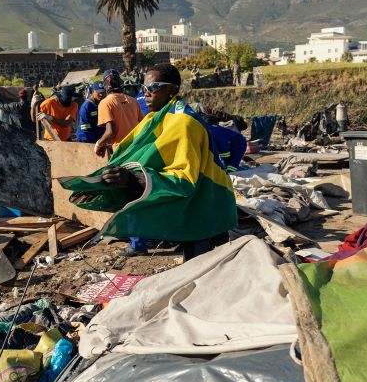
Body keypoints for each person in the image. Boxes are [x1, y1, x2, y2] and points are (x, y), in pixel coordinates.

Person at [62, 63, 237, 261]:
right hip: (199, 202)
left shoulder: (183, 122)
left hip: (209, 203)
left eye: (153, 87)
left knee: (203, 268)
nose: (146, 93)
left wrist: (133, 178)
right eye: (143, 88)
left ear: (172, 89)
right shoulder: (158, 117)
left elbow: (183, 179)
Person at [95, 69, 143, 157]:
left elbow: (110, 132)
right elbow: (142, 124)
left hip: (121, 151)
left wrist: (99, 144)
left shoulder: (105, 103)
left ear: (105, 85)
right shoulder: (133, 100)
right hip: (137, 147)